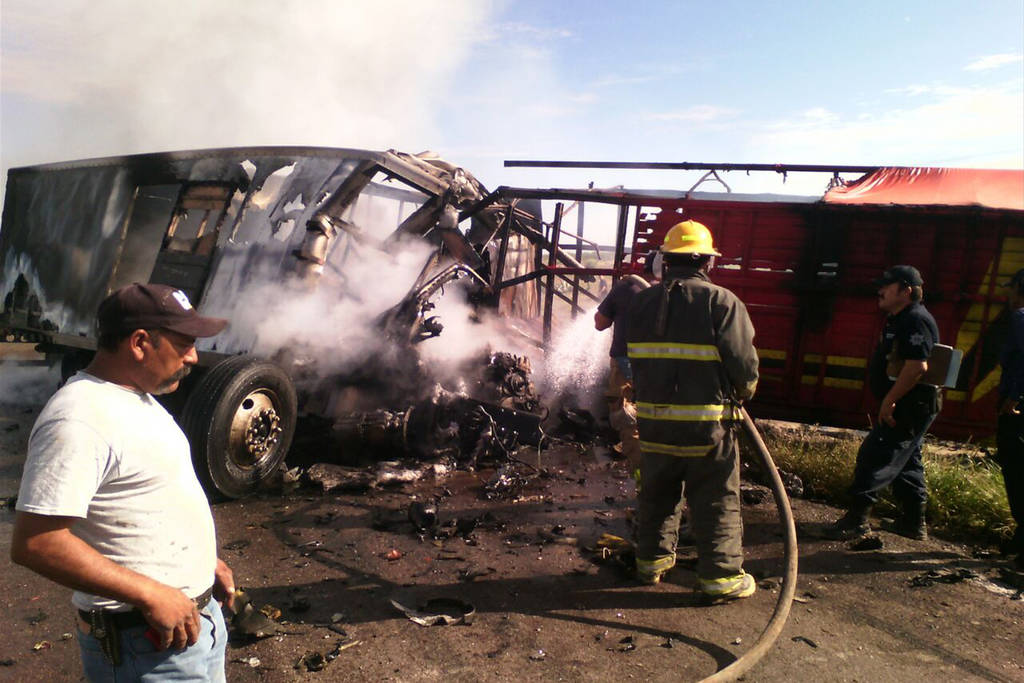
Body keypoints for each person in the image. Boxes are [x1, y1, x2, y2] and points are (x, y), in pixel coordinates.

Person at [11, 283, 236, 681]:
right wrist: (150, 592)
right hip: (146, 647)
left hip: (195, 627)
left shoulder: (136, 398)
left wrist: (201, 563)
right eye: (184, 343)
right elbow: (37, 542)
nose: (194, 356)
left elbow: (148, 498)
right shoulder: (78, 419)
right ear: (139, 342)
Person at [625, 220, 759, 601]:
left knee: (657, 494)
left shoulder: (641, 302)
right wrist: (744, 391)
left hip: (653, 426)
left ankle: (650, 565)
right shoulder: (723, 302)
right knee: (716, 499)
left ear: (666, 261)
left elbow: (632, 360)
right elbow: (744, 366)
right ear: (706, 262)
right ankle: (721, 579)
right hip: (706, 430)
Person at [826, 265, 941, 541]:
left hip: (909, 405)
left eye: (887, 287)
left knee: (874, 455)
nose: (880, 291)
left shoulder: (915, 319)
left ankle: (857, 520)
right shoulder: (899, 318)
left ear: (906, 290)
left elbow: (917, 366)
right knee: (907, 462)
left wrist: (889, 401)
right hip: (908, 404)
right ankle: (914, 523)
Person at [594, 252, 658, 478]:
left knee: (626, 418)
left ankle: (645, 481)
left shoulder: (626, 287)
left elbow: (600, 324)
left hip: (626, 365)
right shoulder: (676, 292)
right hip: (664, 369)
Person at [996, 269, 1024, 568]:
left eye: (1011, 287)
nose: (1008, 294)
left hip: (1016, 410)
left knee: (1016, 471)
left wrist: (1015, 395)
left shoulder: (1020, 317)